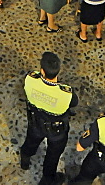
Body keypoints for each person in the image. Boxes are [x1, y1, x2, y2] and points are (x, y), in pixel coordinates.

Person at [20, 51, 77, 185]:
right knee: (53, 155)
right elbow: (74, 103)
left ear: (42, 71)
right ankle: (48, 178)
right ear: (58, 71)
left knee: (30, 141)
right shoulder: (66, 92)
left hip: (35, 123)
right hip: (57, 130)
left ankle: (25, 160)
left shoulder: (30, 79)